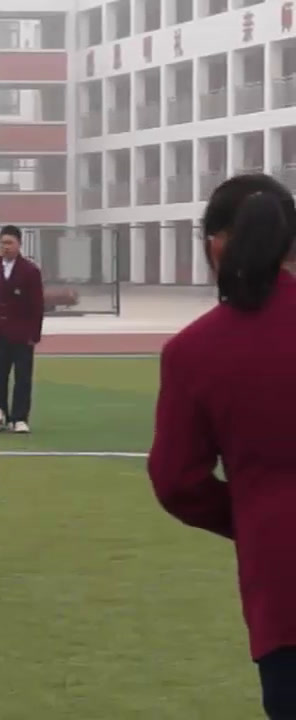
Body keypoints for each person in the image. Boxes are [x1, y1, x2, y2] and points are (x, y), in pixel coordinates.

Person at [147, 173, 296, 720]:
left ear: (216, 246)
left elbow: (176, 481)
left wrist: (254, 515)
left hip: (282, 580)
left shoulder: (193, 351)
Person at [0, 224, 43, 434]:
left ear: (19, 244)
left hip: (23, 333)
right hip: (1, 332)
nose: (6, 247)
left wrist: (34, 334)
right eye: (2, 243)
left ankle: (19, 418)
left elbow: (37, 304)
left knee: (22, 378)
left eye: (10, 243)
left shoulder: (30, 270)